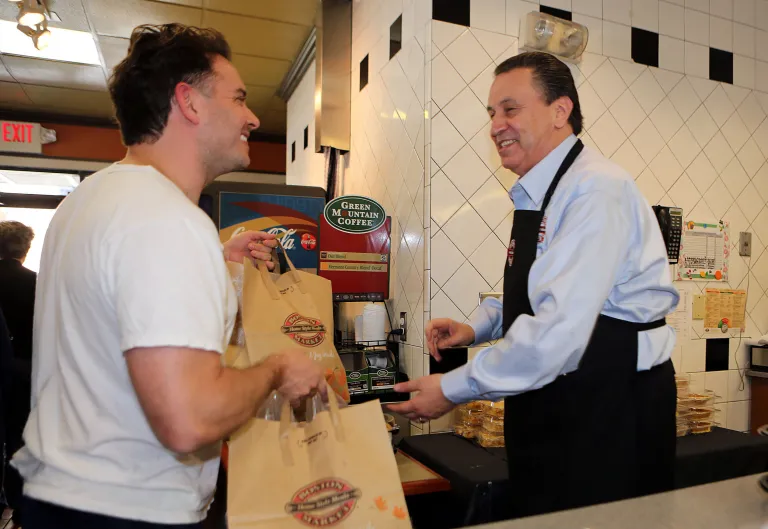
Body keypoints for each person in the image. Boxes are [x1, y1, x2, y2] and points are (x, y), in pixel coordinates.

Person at [11, 23, 326, 529]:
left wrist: (216, 259)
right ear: (191, 102)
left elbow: (112, 311)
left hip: (61, 495)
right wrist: (278, 370)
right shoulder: (167, 220)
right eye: (239, 98)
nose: (252, 116)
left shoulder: (91, 199)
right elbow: (189, 419)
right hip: (128, 509)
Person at [389, 52, 679, 518]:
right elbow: (543, 289)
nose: (495, 126)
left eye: (510, 109)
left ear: (560, 111)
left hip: (610, 406)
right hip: (558, 400)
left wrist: (452, 388)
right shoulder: (540, 192)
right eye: (491, 114)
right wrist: (480, 326)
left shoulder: (595, 190)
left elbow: (559, 329)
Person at [0, 220, 36, 527]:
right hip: (25, 374)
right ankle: (17, 505)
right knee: (18, 442)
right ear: (24, 250)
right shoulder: (37, 283)